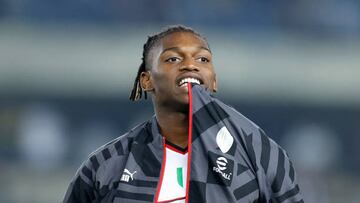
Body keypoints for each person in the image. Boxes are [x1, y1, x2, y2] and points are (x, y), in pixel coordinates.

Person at [63, 25, 303, 203]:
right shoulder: (106, 164)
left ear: (214, 81)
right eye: (173, 58)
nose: (191, 65)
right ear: (146, 80)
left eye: (202, 59)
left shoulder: (260, 153)